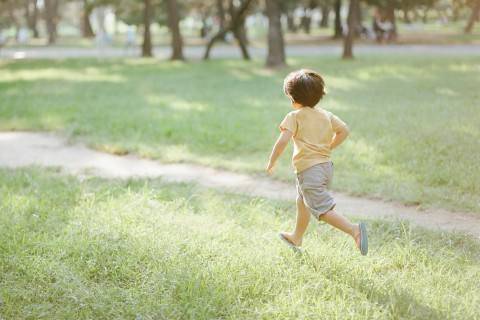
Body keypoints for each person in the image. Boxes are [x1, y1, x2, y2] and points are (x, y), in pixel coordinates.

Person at [266, 69, 368, 255]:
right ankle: (297, 236)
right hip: (325, 167)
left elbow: (282, 141)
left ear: (292, 98)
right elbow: (344, 130)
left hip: (309, 170)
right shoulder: (325, 115)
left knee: (321, 210)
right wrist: (329, 147)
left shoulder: (294, 117)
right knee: (303, 201)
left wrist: (272, 161)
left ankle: (354, 230)